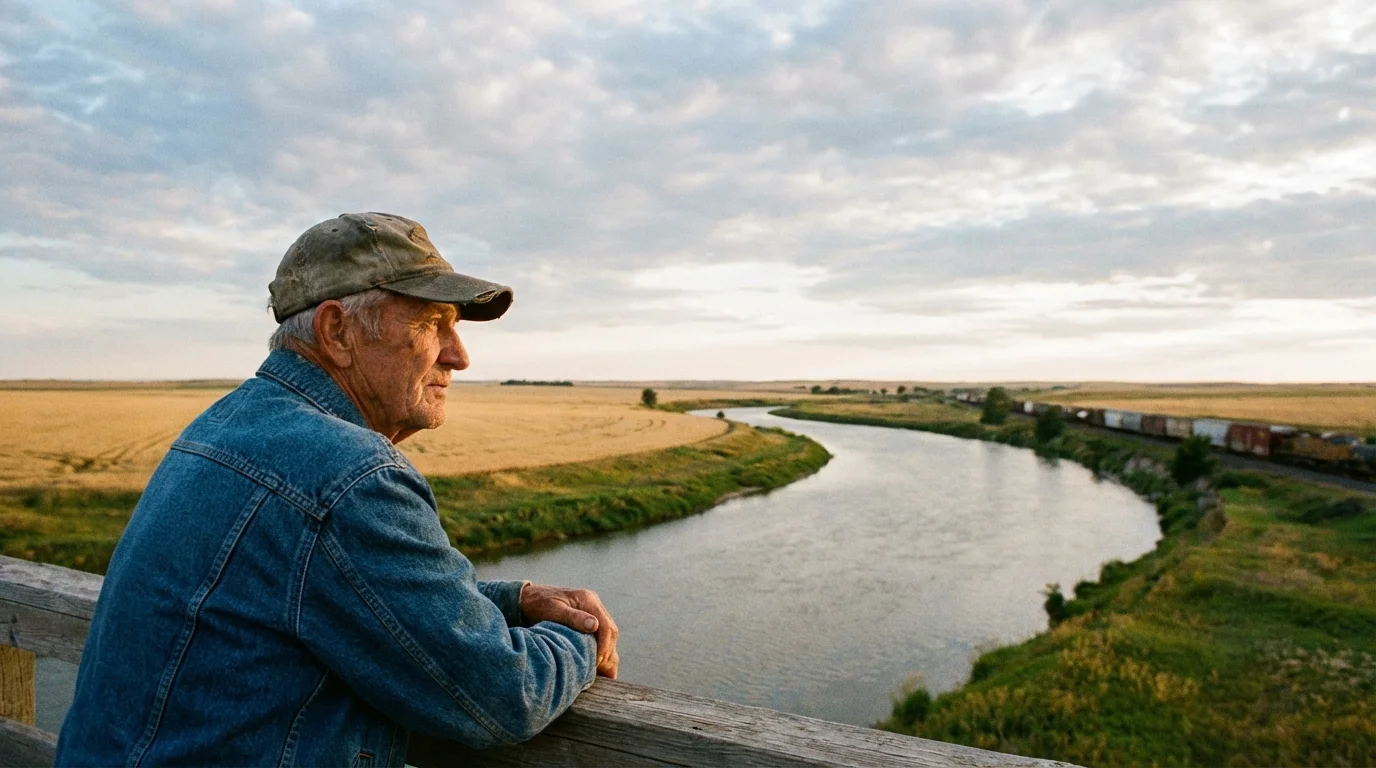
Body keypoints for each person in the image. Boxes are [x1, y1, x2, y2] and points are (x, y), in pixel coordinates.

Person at [56, 212, 618, 766]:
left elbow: (337, 593)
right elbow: (501, 696)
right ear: (336, 331)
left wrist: (514, 600)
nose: (460, 355)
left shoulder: (220, 427)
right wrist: (580, 639)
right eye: (429, 324)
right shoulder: (349, 476)